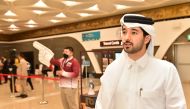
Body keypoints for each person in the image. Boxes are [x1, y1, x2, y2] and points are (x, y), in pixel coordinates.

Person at [95, 14, 187, 109]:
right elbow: (101, 105)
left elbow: (177, 107)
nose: (127, 38)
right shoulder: (112, 71)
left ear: (147, 39)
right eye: (124, 32)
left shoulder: (166, 71)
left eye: (134, 32)